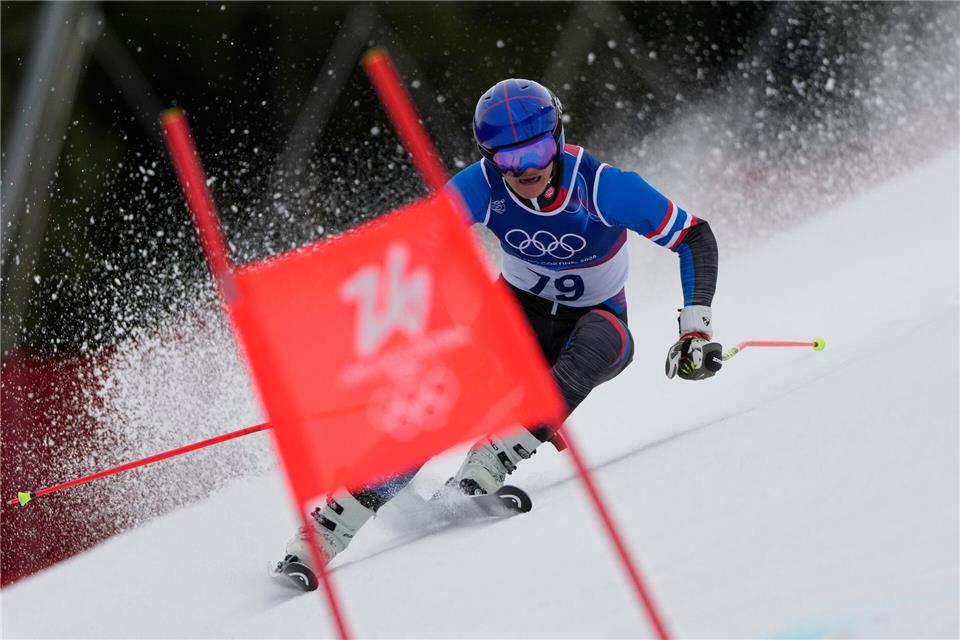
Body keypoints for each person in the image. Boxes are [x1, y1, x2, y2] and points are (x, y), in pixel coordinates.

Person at [283, 78, 720, 572]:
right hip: (512, 320)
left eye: (534, 151)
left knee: (605, 341)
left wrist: (695, 329)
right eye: (508, 158)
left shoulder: (603, 187)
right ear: (489, 156)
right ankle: (325, 531)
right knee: (440, 405)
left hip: (595, 325)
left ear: (556, 137)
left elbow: (694, 237)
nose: (525, 169)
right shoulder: (479, 186)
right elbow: (420, 255)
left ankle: (491, 461)